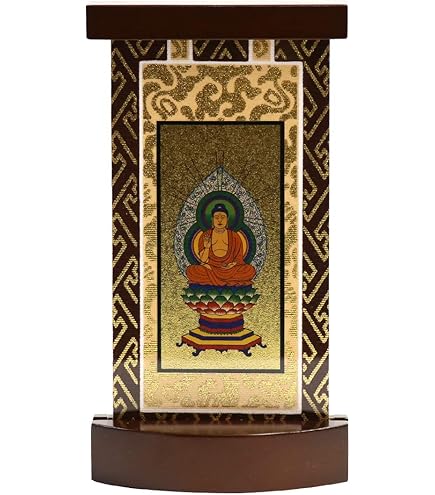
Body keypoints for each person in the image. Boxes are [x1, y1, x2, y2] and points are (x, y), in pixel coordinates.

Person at [186, 204, 255, 286]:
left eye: (223, 217)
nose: (220, 220)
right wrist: (207, 248)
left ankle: (216, 280)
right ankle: (227, 281)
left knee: (249, 270)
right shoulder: (206, 235)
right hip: (211, 268)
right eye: (216, 217)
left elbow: (238, 259)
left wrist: (233, 264)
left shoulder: (234, 236)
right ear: (212, 219)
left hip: (230, 270)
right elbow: (203, 260)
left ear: (227, 219)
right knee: (191, 271)